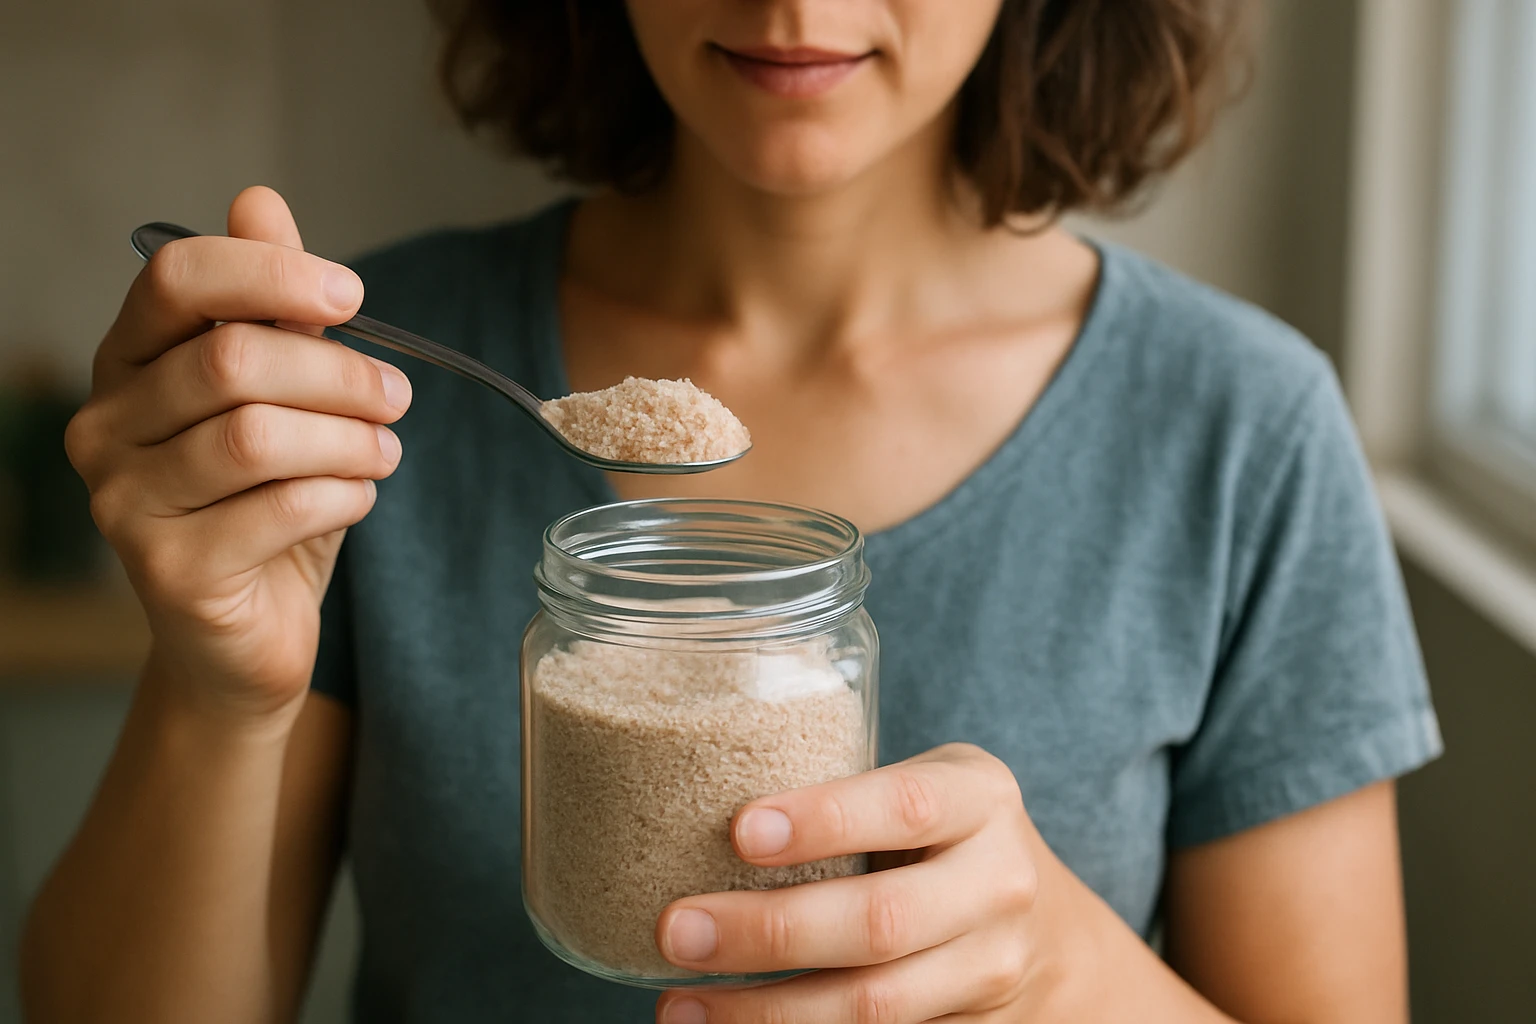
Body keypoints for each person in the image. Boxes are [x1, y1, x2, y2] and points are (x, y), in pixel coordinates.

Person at [23, 1, 1441, 1021]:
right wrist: (218, 692)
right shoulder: (369, 382)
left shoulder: (1242, 430)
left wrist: (1068, 976)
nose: (794, 4)